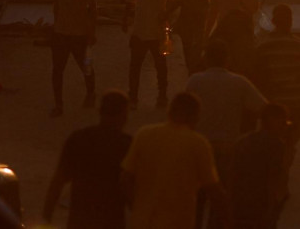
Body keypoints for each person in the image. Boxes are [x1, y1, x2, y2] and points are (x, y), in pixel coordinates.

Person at [120, 92, 230, 229]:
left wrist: (137, 207)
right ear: (194, 116)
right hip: (178, 222)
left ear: (169, 111)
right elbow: (213, 189)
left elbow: (125, 178)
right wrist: (228, 218)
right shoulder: (198, 143)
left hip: (143, 222)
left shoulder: (144, 134)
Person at [43, 91, 132, 229]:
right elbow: (130, 188)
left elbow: (58, 181)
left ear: (100, 112)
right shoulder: (127, 144)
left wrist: (46, 217)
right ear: (123, 116)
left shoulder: (78, 139)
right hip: (111, 221)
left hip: (80, 221)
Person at [186, 40, 267, 188]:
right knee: (224, 190)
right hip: (229, 144)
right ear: (227, 60)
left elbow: (182, 112)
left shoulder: (195, 81)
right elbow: (263, 108)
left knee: (199, 192)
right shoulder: (239, 82)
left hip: (201, 144)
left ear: (206, 59)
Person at [252, 4, 300, 187]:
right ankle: (282, 173)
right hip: (294, 105)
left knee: (270, 141)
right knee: (289, 143)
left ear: (273, 22)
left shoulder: (263, 46)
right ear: (290, 23)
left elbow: (256, 75)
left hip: (272, 105)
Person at [125, 0, 180, 109]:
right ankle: (133, 96)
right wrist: (124, 19)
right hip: (139, 29)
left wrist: (166, 13)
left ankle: (162, 96)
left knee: (160, 67)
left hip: (157, 31)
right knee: (135, 66)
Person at [51, 0, 97, 117]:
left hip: (79, 32)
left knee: (86, 66)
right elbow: (56, 7)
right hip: (61, 32)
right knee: (57, 70)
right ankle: (58, 104)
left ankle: (91, 94)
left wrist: (91, 31)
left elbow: (92, 8)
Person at [231, 102, 290, 229]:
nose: (286, 127)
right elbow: (273, 179)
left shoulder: (242, 141)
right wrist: (273, 207)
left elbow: (231, 175)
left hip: (238, 203)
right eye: (284, 122)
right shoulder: (277, 145)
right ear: (274, 121)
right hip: (260, 205)